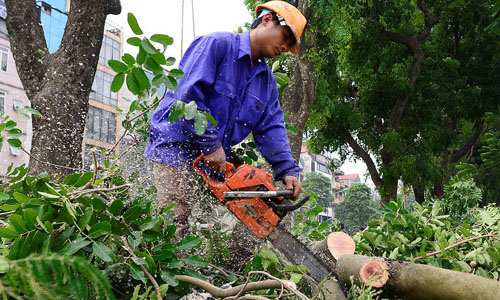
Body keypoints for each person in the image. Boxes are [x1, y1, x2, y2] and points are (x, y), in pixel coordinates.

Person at [144, 1, 307, 239]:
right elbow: (187, 97)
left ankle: (235, 270)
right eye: (287, 37)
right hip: (176, 146)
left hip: (216, 156)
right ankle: (167, 273)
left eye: (292, 45)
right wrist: (210, 144)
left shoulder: (266, 83)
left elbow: (272, 127)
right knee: (174, 222)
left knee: (260, 213)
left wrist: (287, 170)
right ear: (267, 20)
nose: (286, 46)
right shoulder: (217, 46)